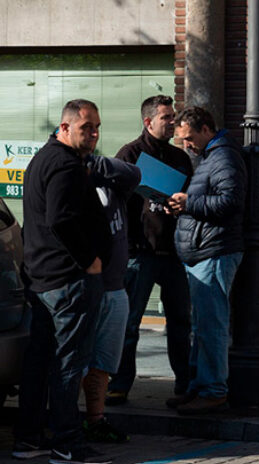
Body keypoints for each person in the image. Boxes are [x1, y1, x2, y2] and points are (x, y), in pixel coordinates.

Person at [15, 99, 113, 464]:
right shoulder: (65, 164)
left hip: (44, 278)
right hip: (67, 280)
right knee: (69, 363)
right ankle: (67, 445)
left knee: (41, 361)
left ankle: (28, 437)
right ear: (66, 126)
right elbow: (60, 219)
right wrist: (89, 260)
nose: (94, 134)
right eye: (87, 127)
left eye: (97, 127)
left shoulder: (44, 158)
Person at [109, 95, 194, 405]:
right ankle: (119, 384)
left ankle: (185, 383)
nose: (172, 122)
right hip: (139, 252)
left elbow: (189, 196)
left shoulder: (179, 157)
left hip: (173, 253)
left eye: (173, 116)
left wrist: (180, 206)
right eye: (166, 117)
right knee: (130, 324)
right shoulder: (129, 154)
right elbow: (114, 201)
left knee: (181, 322)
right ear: (148, 122)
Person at [170, 106, 247, 414]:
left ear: (206, 129)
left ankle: (214, 389)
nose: (186, 145)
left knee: (211, 326)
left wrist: (189, 203)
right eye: (182, 140)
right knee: (202, 325)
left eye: (189, 138)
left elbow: (230, 201)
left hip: (214, 251)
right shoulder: (209, 157)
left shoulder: (224, 156)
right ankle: (199, 385)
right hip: (204, 250)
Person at [83, 155, 141, 443]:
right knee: (76, 362)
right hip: (84, 287)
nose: (93, 135)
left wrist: (97, 163)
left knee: (104, 361)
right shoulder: (69, 180)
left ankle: (96, 419)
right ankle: (67, 423)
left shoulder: (112, 181)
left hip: (115, 286)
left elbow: (134, 174)